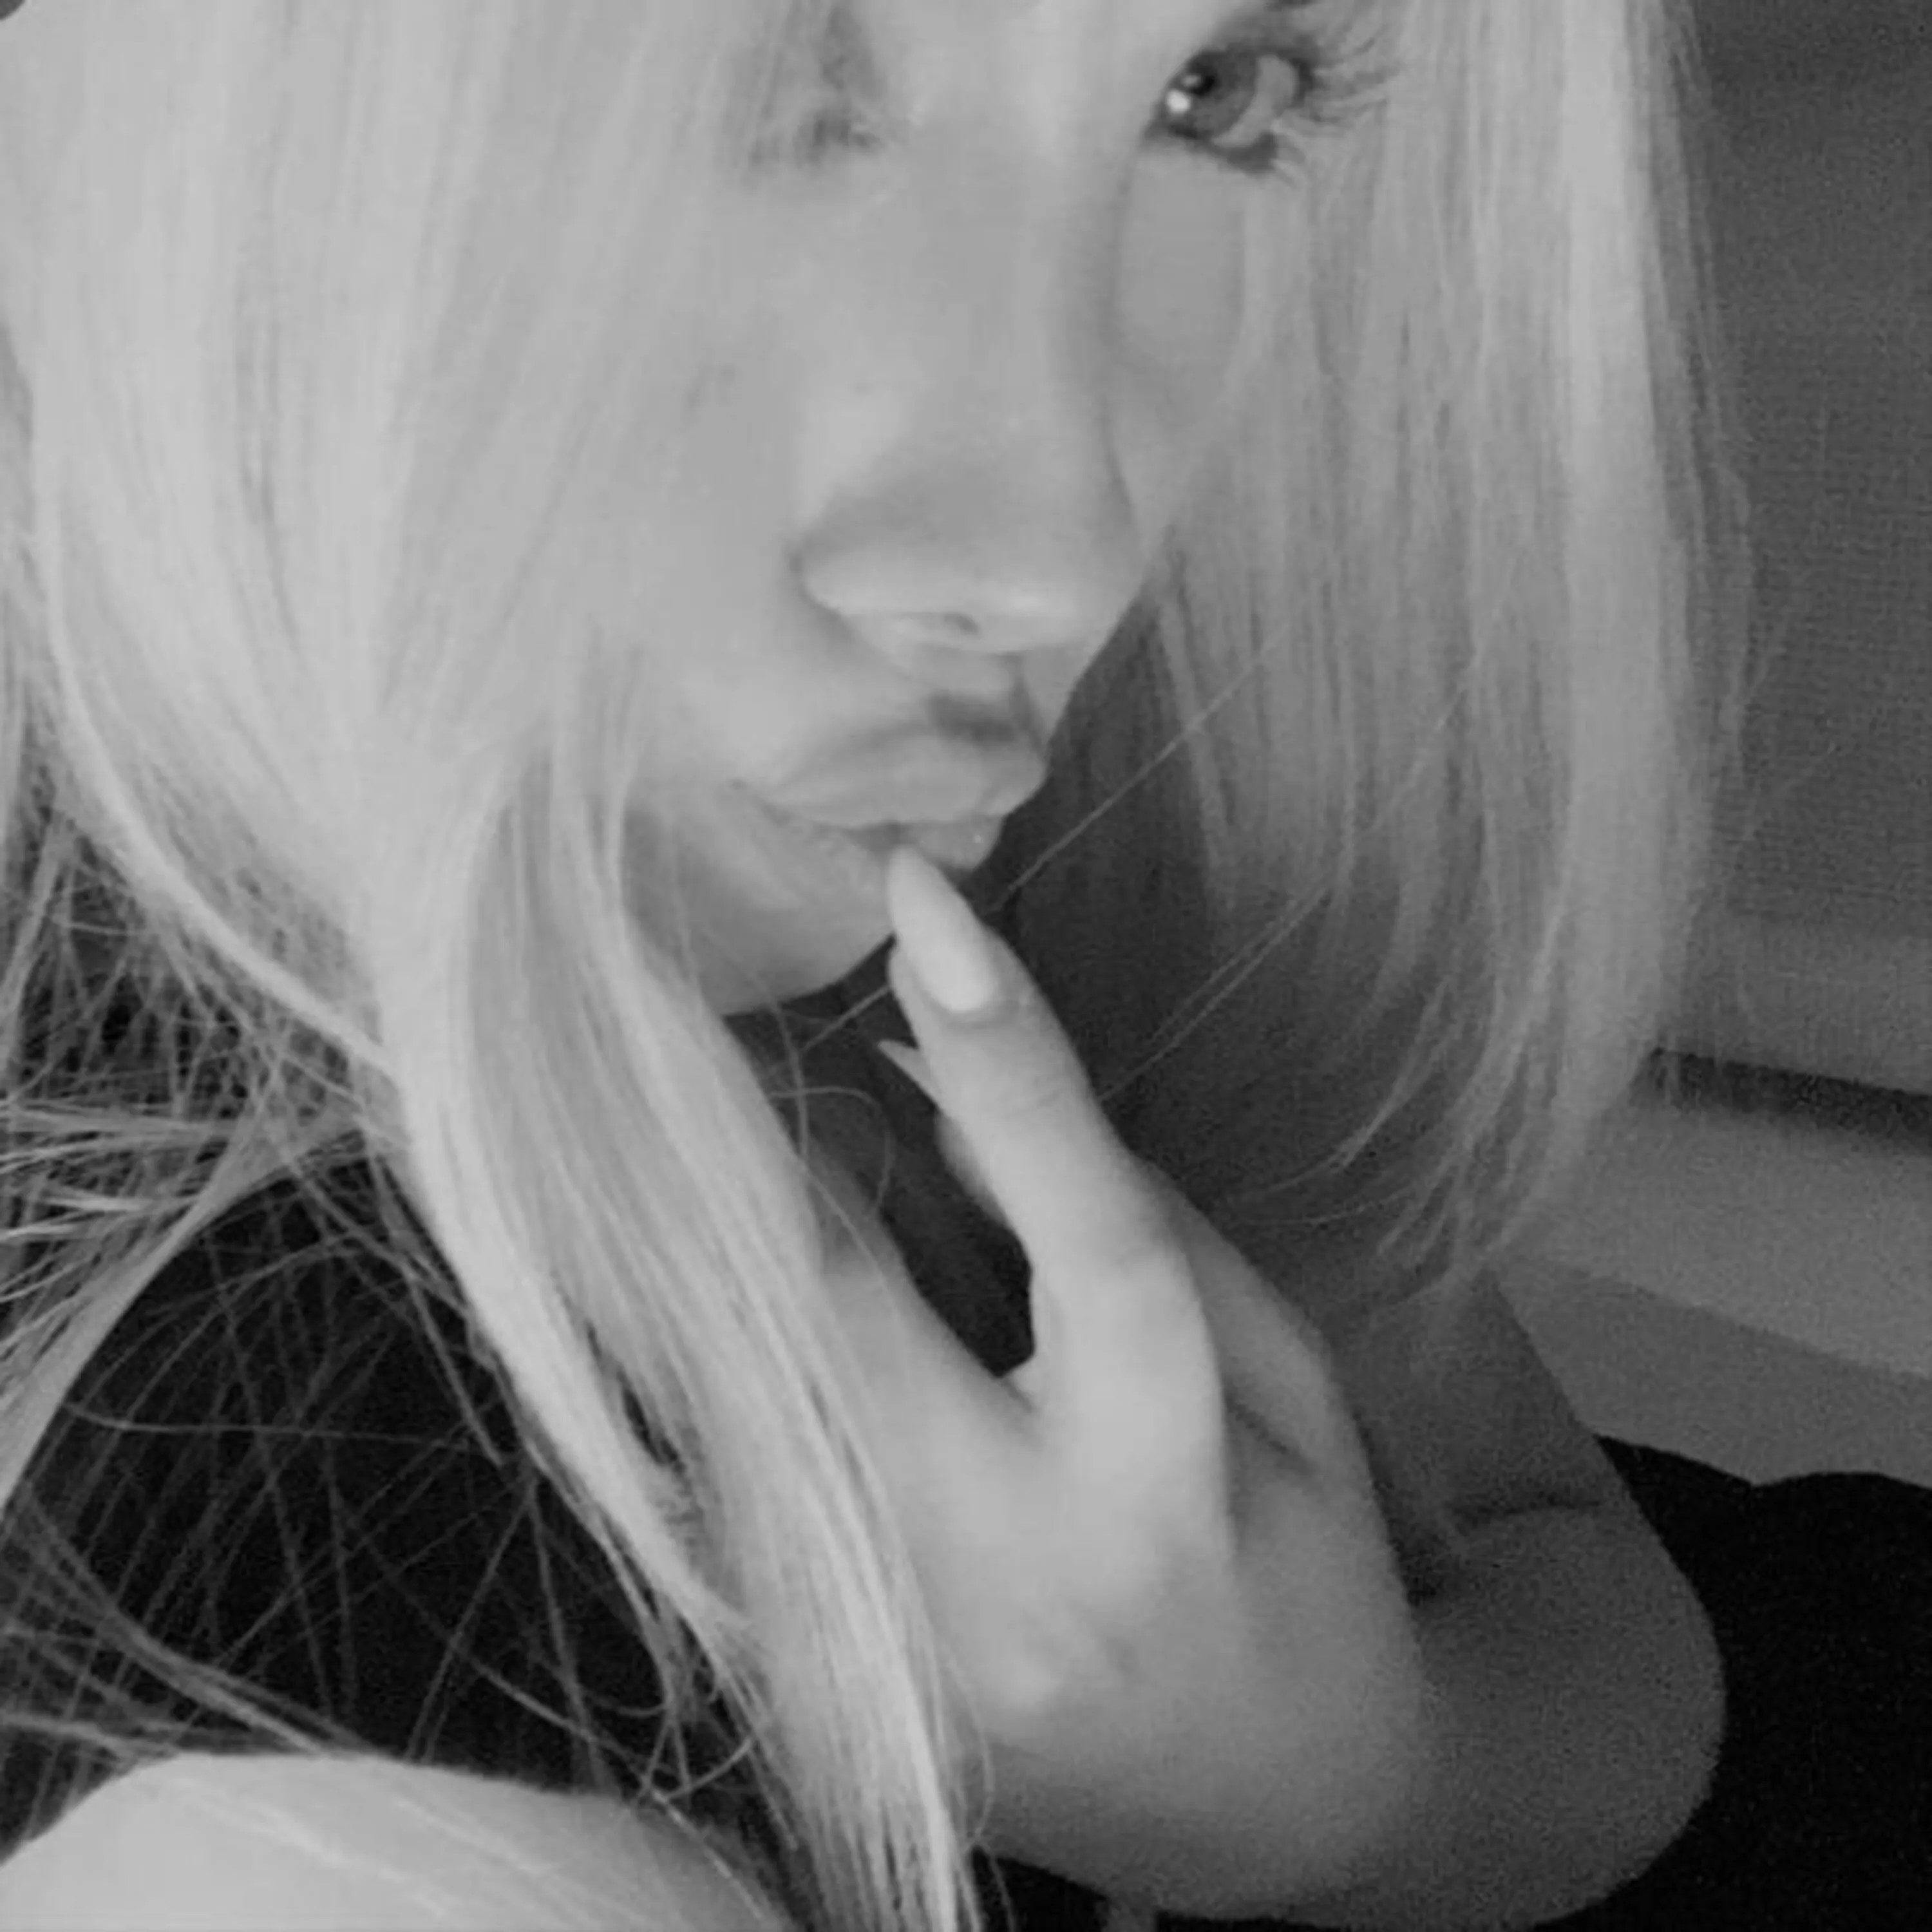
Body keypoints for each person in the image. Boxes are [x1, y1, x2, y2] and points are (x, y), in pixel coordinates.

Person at [0, 1, 1926, 1927]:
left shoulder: (1012, 895)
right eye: (729, 87)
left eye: (1214, 95)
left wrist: (1361, 1792)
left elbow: (1560, 1546)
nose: (1058, 549)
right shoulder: (289, 1575)